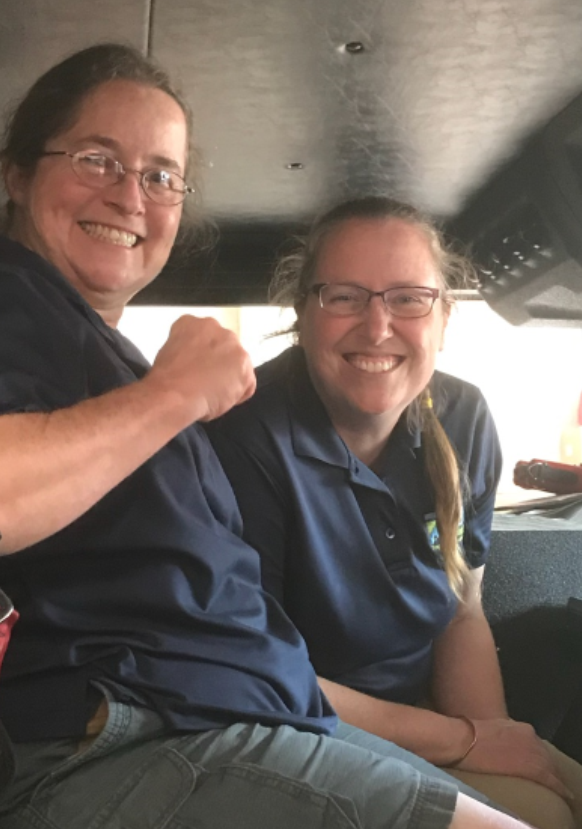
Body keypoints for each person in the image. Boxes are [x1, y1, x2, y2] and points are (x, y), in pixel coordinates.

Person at [0, 48, 528, 829]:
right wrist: (172, 393)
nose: (128, 197)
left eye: (160, 176)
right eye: (94, 159)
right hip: (117, 741)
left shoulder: (95, 354)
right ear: (16, 172)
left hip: (234, 720)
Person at [206, 196, 582, 829]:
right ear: (304, 311)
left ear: (443, 316)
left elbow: (460, 610)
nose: (377, 327)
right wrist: (461, 741)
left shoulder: (463, 417)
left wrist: (494, 738)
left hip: (427, 719)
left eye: (408, 297)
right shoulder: (243, 438)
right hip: (296, 730)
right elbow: (256, 674)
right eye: (346, 296)